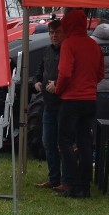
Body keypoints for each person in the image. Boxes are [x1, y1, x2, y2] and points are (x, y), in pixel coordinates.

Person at [55, 9, 104, 199]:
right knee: (85, 143)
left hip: (71, 100)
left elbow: (65, 72)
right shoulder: (94, 45)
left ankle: (73, 185)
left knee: (64, 142)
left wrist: (59, 89)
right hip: (90, 99)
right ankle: (85, 186)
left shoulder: (68, 44)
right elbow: (100, 74)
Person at [32, 19, 65, 189]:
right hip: (48, 103)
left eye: (57, 32)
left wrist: (58, 83)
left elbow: (70, 73)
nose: (54, 36)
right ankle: (54, 177)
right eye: (51, 33)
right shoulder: (48, 51)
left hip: (64, 104)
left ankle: (65, 179)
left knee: (64, 143)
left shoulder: (67, 51)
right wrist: (36, 81)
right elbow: (40, 69)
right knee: (47, 142)